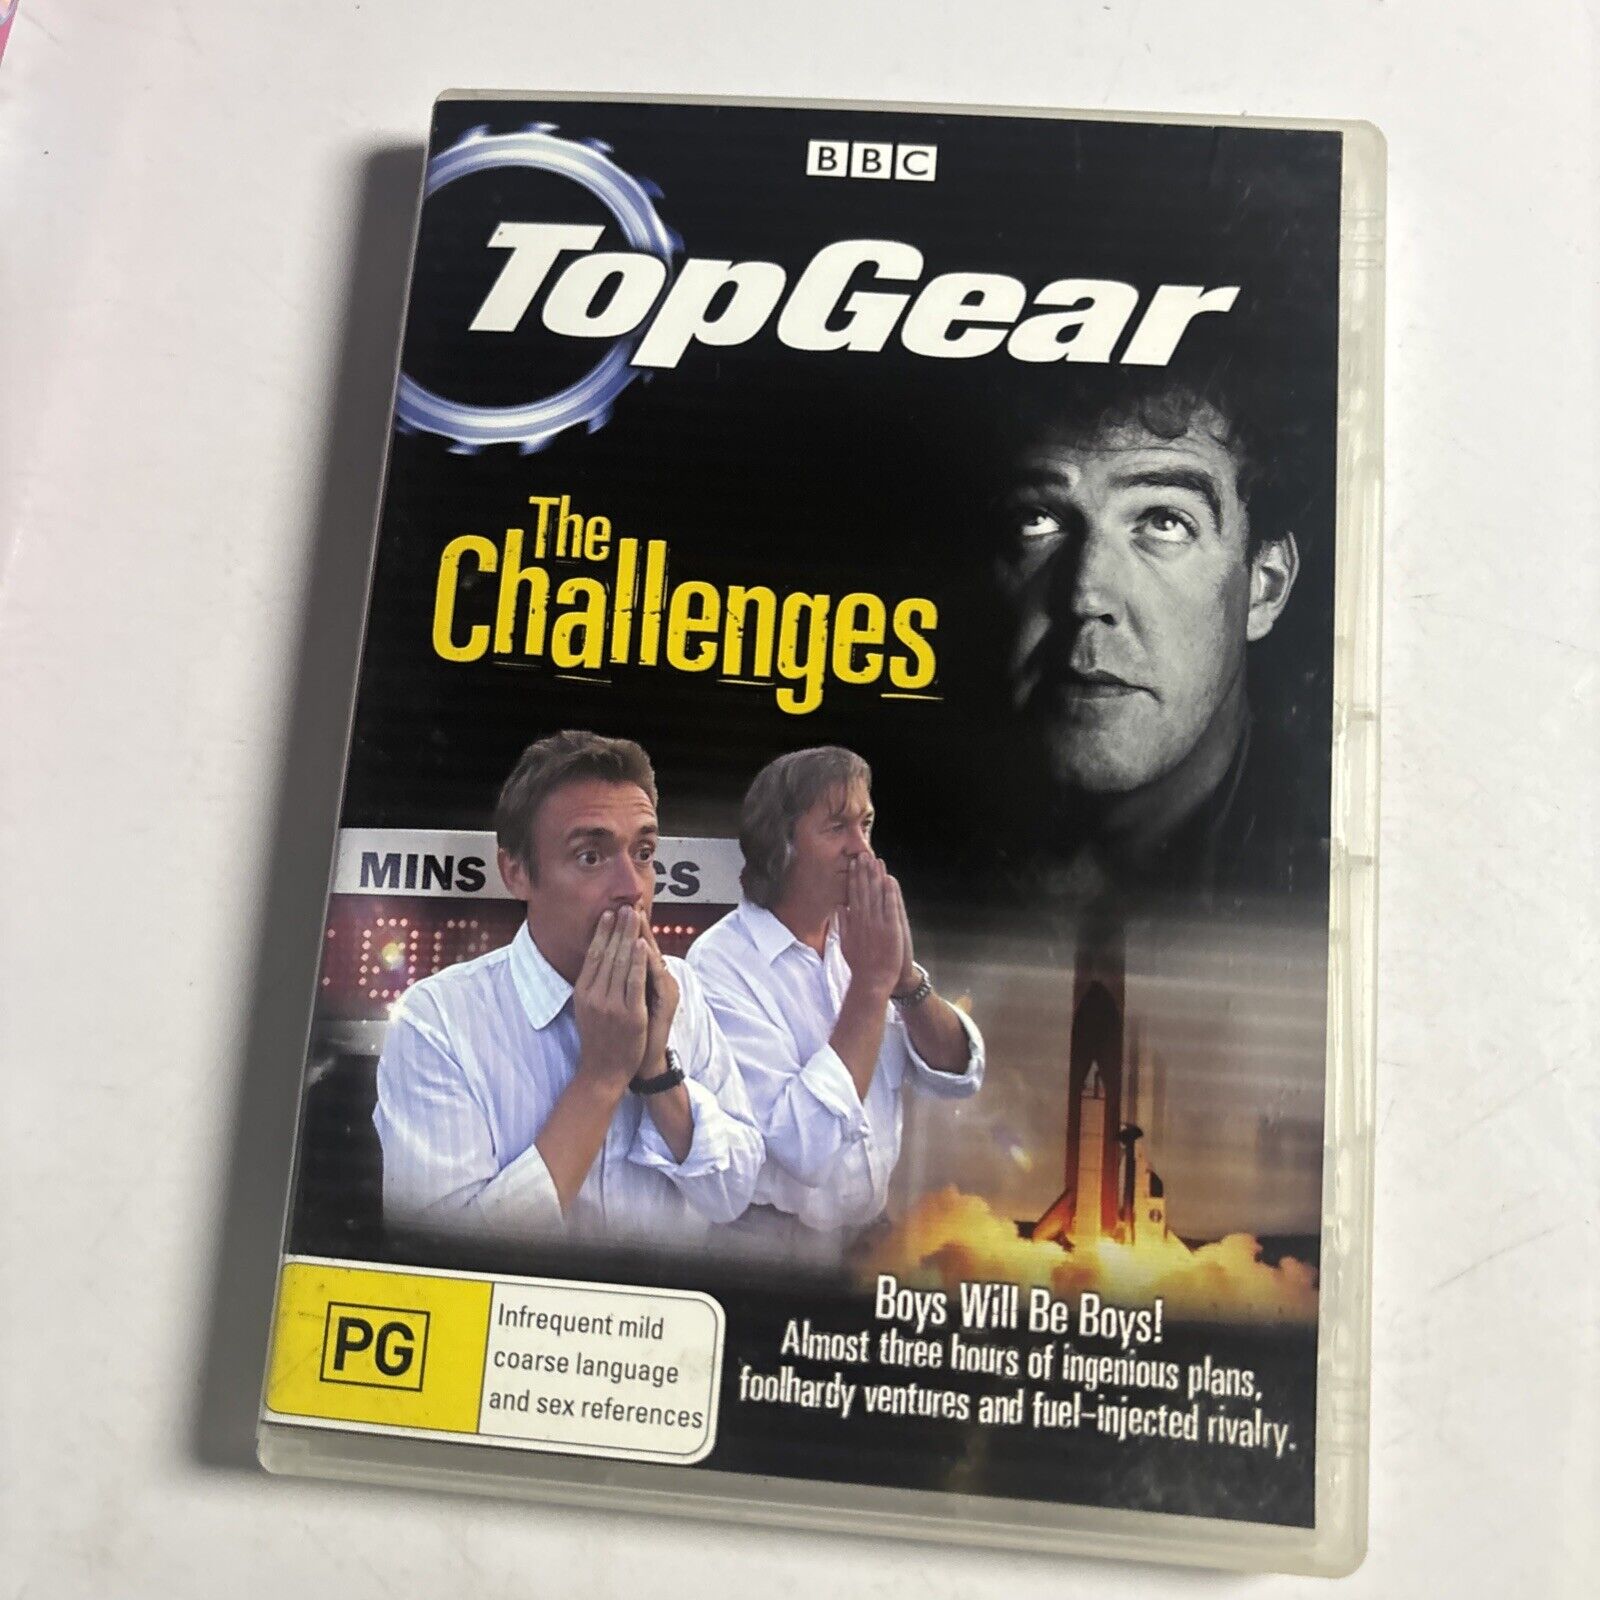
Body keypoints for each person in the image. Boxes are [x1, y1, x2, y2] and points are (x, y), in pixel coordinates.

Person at [373, 731, 763, 1244]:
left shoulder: (681, 987)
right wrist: (601, 1078)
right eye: (590, 857)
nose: (633, 887)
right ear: (516, 873)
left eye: (644, 852)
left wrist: (656, 1072)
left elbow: (734, 1194)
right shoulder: (437, 1021)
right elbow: (441, 1254)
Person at [992, 375, 1321, 905]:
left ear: (1265, 585)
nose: (1085, 595)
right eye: (1039, 519)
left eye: (1165, 522)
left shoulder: (1320, 867)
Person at [687, 747, 983, 1262]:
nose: (862, 851)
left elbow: (957, 1076)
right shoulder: (719, 965)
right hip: (769, 1251)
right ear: (780, 846)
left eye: (866, 825)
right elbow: (803, 1147)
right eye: (837, 827)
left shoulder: (858, 937)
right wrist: (870, 986)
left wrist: (906, 982)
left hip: (868, 1239)